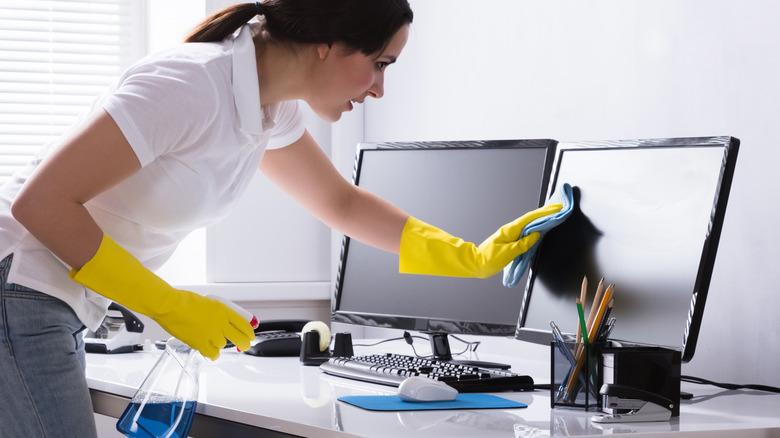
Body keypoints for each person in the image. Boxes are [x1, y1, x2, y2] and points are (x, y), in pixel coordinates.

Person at [0, 1, 560, 436]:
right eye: (378, 64)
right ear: (327, 44)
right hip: (19, 288)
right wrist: (168, 305)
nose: (380, 88)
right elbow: (41, 204)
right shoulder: (192, 83)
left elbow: (341, 204)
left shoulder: (270, 108)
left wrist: (469, 256)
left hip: (48, 303)